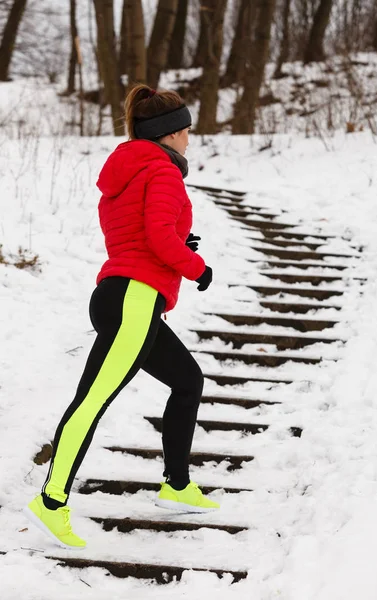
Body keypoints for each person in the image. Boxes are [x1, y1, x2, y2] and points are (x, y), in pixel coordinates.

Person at [24, 84, 218, 550]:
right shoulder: (163, 174)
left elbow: (134, 234)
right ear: (169, 134)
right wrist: (197, 267)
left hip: (125, 294)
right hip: (134, 298)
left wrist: (177, 241)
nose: (190, 138)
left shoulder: (127, 173)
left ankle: (175, 485)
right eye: (186, 130)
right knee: (90, 402)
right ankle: (51, 502)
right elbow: (156, 239)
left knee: (188, 380)